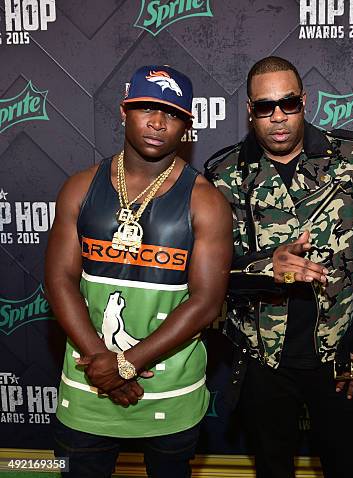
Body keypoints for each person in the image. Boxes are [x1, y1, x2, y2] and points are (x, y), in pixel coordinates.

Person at [45, 65, 233, 478]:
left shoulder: (206, 201)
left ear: (187, 124)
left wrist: (125, 363)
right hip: (89, 381)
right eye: (145, 107)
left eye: (171, 112)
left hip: (170, 389)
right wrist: (102, 360)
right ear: (123, 111)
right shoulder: (80, 187)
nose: (157, 121)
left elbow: (205, 303)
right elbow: (59, 280)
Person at [205, 56, 353, 478]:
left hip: (340, 358)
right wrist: (264, 268)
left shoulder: (351, 157)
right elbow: (206, 274)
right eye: (264, 107)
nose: (277, 116)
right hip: (264, 361)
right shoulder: (222, 173)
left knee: (349, 468)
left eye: (288, 103)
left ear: (305, 101)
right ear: (249, 110)